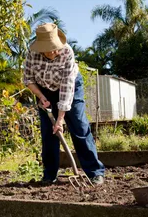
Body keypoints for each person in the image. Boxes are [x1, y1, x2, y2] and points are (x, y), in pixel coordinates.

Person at [23, 23, 105, 185]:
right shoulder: (32, 54)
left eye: (55, 47)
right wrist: (41, 96)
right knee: (48, 134)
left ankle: (95, 172)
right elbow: (28, 79)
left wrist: (60, 119)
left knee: (79, 127)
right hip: (44, 91)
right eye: (50, 48)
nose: (54, 51)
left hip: (70, 87)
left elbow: (67, 87)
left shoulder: (66, 51)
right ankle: (49, 175)